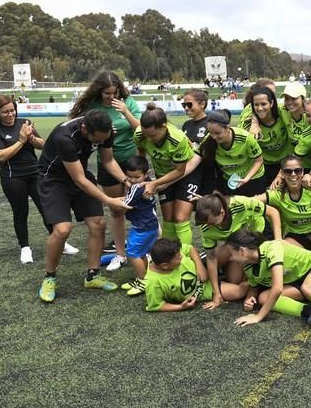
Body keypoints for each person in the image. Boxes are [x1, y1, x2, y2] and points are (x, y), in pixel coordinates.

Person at [36, 110, 132, 303]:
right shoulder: (65, 138)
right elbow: (79, 180)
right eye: (96, 140)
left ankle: (93, 275)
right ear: (84, 129)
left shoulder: (105, 131)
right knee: (62, 229)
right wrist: (108, 200)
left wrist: (126, 180)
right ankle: (49, 277)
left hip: (80, 175)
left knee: (98, 223)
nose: (100, 142)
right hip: (54, 180)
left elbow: (108, 160)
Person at [0, 95, 78, 263]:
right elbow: (1, 156)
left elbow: (44, 145)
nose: (10, 114)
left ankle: (60, 243)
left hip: (35, 173)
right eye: (5, 112)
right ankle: (25, 248)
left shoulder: (25, 123)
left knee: (46, 209)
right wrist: (21, 140)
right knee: (20, 212)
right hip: (13, 178)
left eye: (12, 110)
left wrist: (32, 138)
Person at [226, 230, 311, 351]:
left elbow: (278, 288)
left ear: (242, 251)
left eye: (231, 253)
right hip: (298, 281)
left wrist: (258, 317)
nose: (230, 259)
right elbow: (254, 287)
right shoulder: (248, 267)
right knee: (263, 297)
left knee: (308, 287)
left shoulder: (271, 248)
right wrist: (250, 298)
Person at [70, 71, 141, 265]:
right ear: (99, 91)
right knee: (116, 210)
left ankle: (144, 249)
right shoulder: (92, 107)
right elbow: (80, 128)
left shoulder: (128, 102)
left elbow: (140, 129)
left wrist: (125, 111)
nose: (112, 97)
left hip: (132, 161)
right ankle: (121, 254)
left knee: (139, 205)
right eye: (107, 93)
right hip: (107, 163)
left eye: (114, 92)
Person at [194, 191, 281, 310]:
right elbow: (211, 258)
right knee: (234, 280)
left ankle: (252, 280)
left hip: (260, 239)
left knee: (267, 273)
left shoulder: (241, 203)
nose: (208, 226)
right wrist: (216, 294)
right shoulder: (206, 227)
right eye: (205, 223)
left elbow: (273, 212)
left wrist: (278, 242)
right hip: (237, 247)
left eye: (212, 223)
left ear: (222, 212)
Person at [134, 104, 196, 251]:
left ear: (164, 126)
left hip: (185, 174)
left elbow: (180, 171)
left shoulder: (177, 139)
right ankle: (167, 255)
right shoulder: (140, 134)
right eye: (146, 134)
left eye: (153, 135)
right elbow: (141, 153)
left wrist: (155, 183)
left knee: (180, 218)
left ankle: (185, 257)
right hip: (161, 175)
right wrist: (140, 175)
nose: (149, 139)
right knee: (168, 219)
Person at [256, 155, 311, 249]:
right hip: (298, 235)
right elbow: (252, 200)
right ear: (282, 173)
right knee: (285, 250)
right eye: (288, 171)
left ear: (302, 172)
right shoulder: (277, 194)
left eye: (297, 170)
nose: (293, 174)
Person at [117, 156, 160, 296]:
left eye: (137, 177)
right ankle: (143, 278)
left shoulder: (137, 187)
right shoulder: (149, 183)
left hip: (143, 227)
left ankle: (142, 281)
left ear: (145, 174)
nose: (133, 180)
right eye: (129, 177)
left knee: (133, 253)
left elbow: (126, 204)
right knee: (141, 253)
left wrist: (111, 202)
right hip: (150, 225)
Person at [144, 238, 218, 312]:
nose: (181, 257)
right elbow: (157, 306)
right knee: (229, 291)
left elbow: (190, 249)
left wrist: (199, 266)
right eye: (178, 258)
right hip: (203, 289)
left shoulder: (172, 251)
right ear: (165, 266)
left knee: (227, 250)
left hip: (203, 264)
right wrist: (181, 307)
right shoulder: (152, 282)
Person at [248, 86, 291, 185]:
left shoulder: (283, 115)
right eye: (256, 105)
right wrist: (254, 123)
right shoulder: (248, 125)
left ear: (271, 103)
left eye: (263, 104)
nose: (260, 108)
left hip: (286, 164)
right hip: (263, 167)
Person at [181, 88, 219, 195]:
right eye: (184, 105)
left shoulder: (211, 124)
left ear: (202, 104)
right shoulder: (186, 125)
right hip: (189, 173)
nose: (186, 108)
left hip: (208, 175)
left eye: (189, 104)